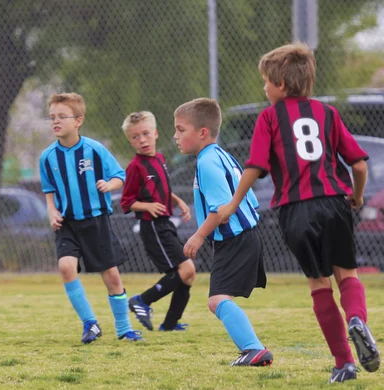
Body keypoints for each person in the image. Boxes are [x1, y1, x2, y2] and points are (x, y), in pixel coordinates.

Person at [217, 43, 379, 383]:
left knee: (319, 285)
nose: (264, 88)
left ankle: (344, 364)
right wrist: (358, 196)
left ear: (280, 84)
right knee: (347, 276)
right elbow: (360, 164)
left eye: (265, 81)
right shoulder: (328, 114)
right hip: (335, 203)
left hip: (295, 211)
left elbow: (256, 165)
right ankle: (356, 319)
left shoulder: (268, 117)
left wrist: (233, 203)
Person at [174, 97, 273, 367]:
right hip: (243, 236)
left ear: (202, 132)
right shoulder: (220, 154)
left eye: (181, 130)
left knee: (217, 300)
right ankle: (252, 347)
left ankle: (253, 349)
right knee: (220, 298)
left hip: (235, 238)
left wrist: (198, 235)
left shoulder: (206, 162)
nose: (176, 136)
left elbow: (220, 210)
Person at [39, 92, 143, 343]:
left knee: (112, 277)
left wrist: (109, 185)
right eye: (52, 117)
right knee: (66, 267)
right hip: (67, 224)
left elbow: (120, 176)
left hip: (96, 221)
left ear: (78, 120)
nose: (56, 121)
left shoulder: (94, 150)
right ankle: (90, 324)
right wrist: (52, 212)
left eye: (62, 116)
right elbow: (49, 190)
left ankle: (124, 328)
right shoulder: (47, 156)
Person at [119, 111, 196, 331]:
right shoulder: (135, 167)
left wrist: (178, 201)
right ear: (130, 140)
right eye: (135, 137)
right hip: (152, 226)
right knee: (186, 270)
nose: (141, 140)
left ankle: (170, 324)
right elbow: (126, 202)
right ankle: (142, 301)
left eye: (145, 134)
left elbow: (160, 189)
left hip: (166, 223)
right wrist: (147, 206)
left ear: (155, 133)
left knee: (187, 275)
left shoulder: (160, 159)